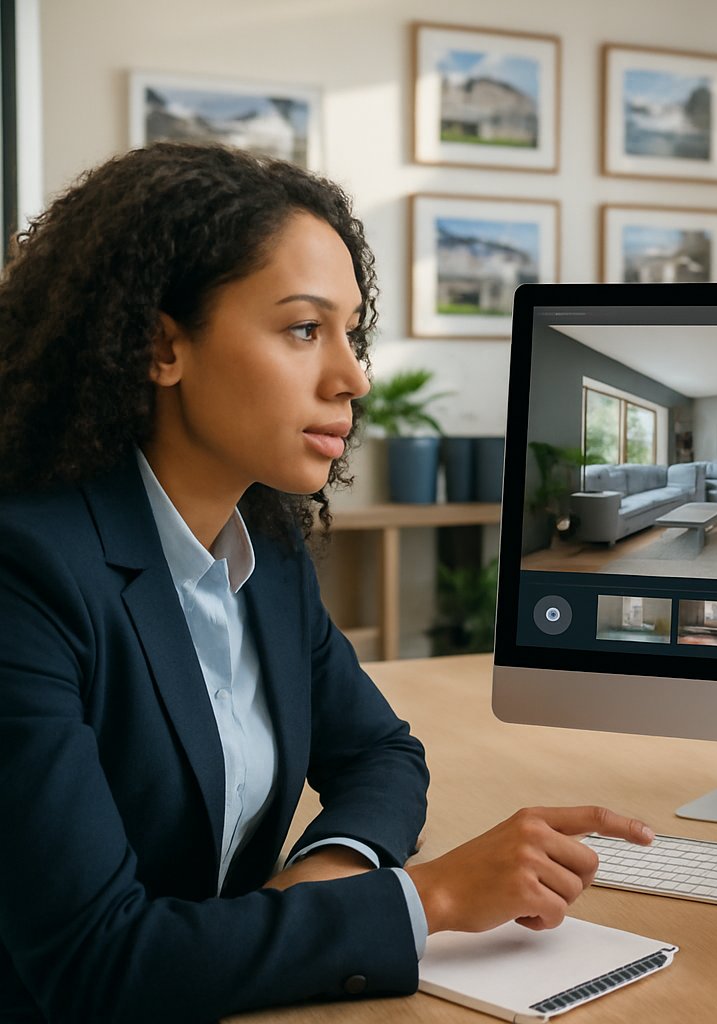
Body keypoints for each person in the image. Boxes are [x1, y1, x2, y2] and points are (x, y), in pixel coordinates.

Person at [0, 143, 653, 1022]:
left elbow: (382, 755)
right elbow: (96, 965)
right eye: (305, 329)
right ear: (162, 345)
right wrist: (429, 901)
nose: (354, 377)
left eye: (353, 332)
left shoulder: (261, 550)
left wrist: (326, 880)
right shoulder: (26, 574)